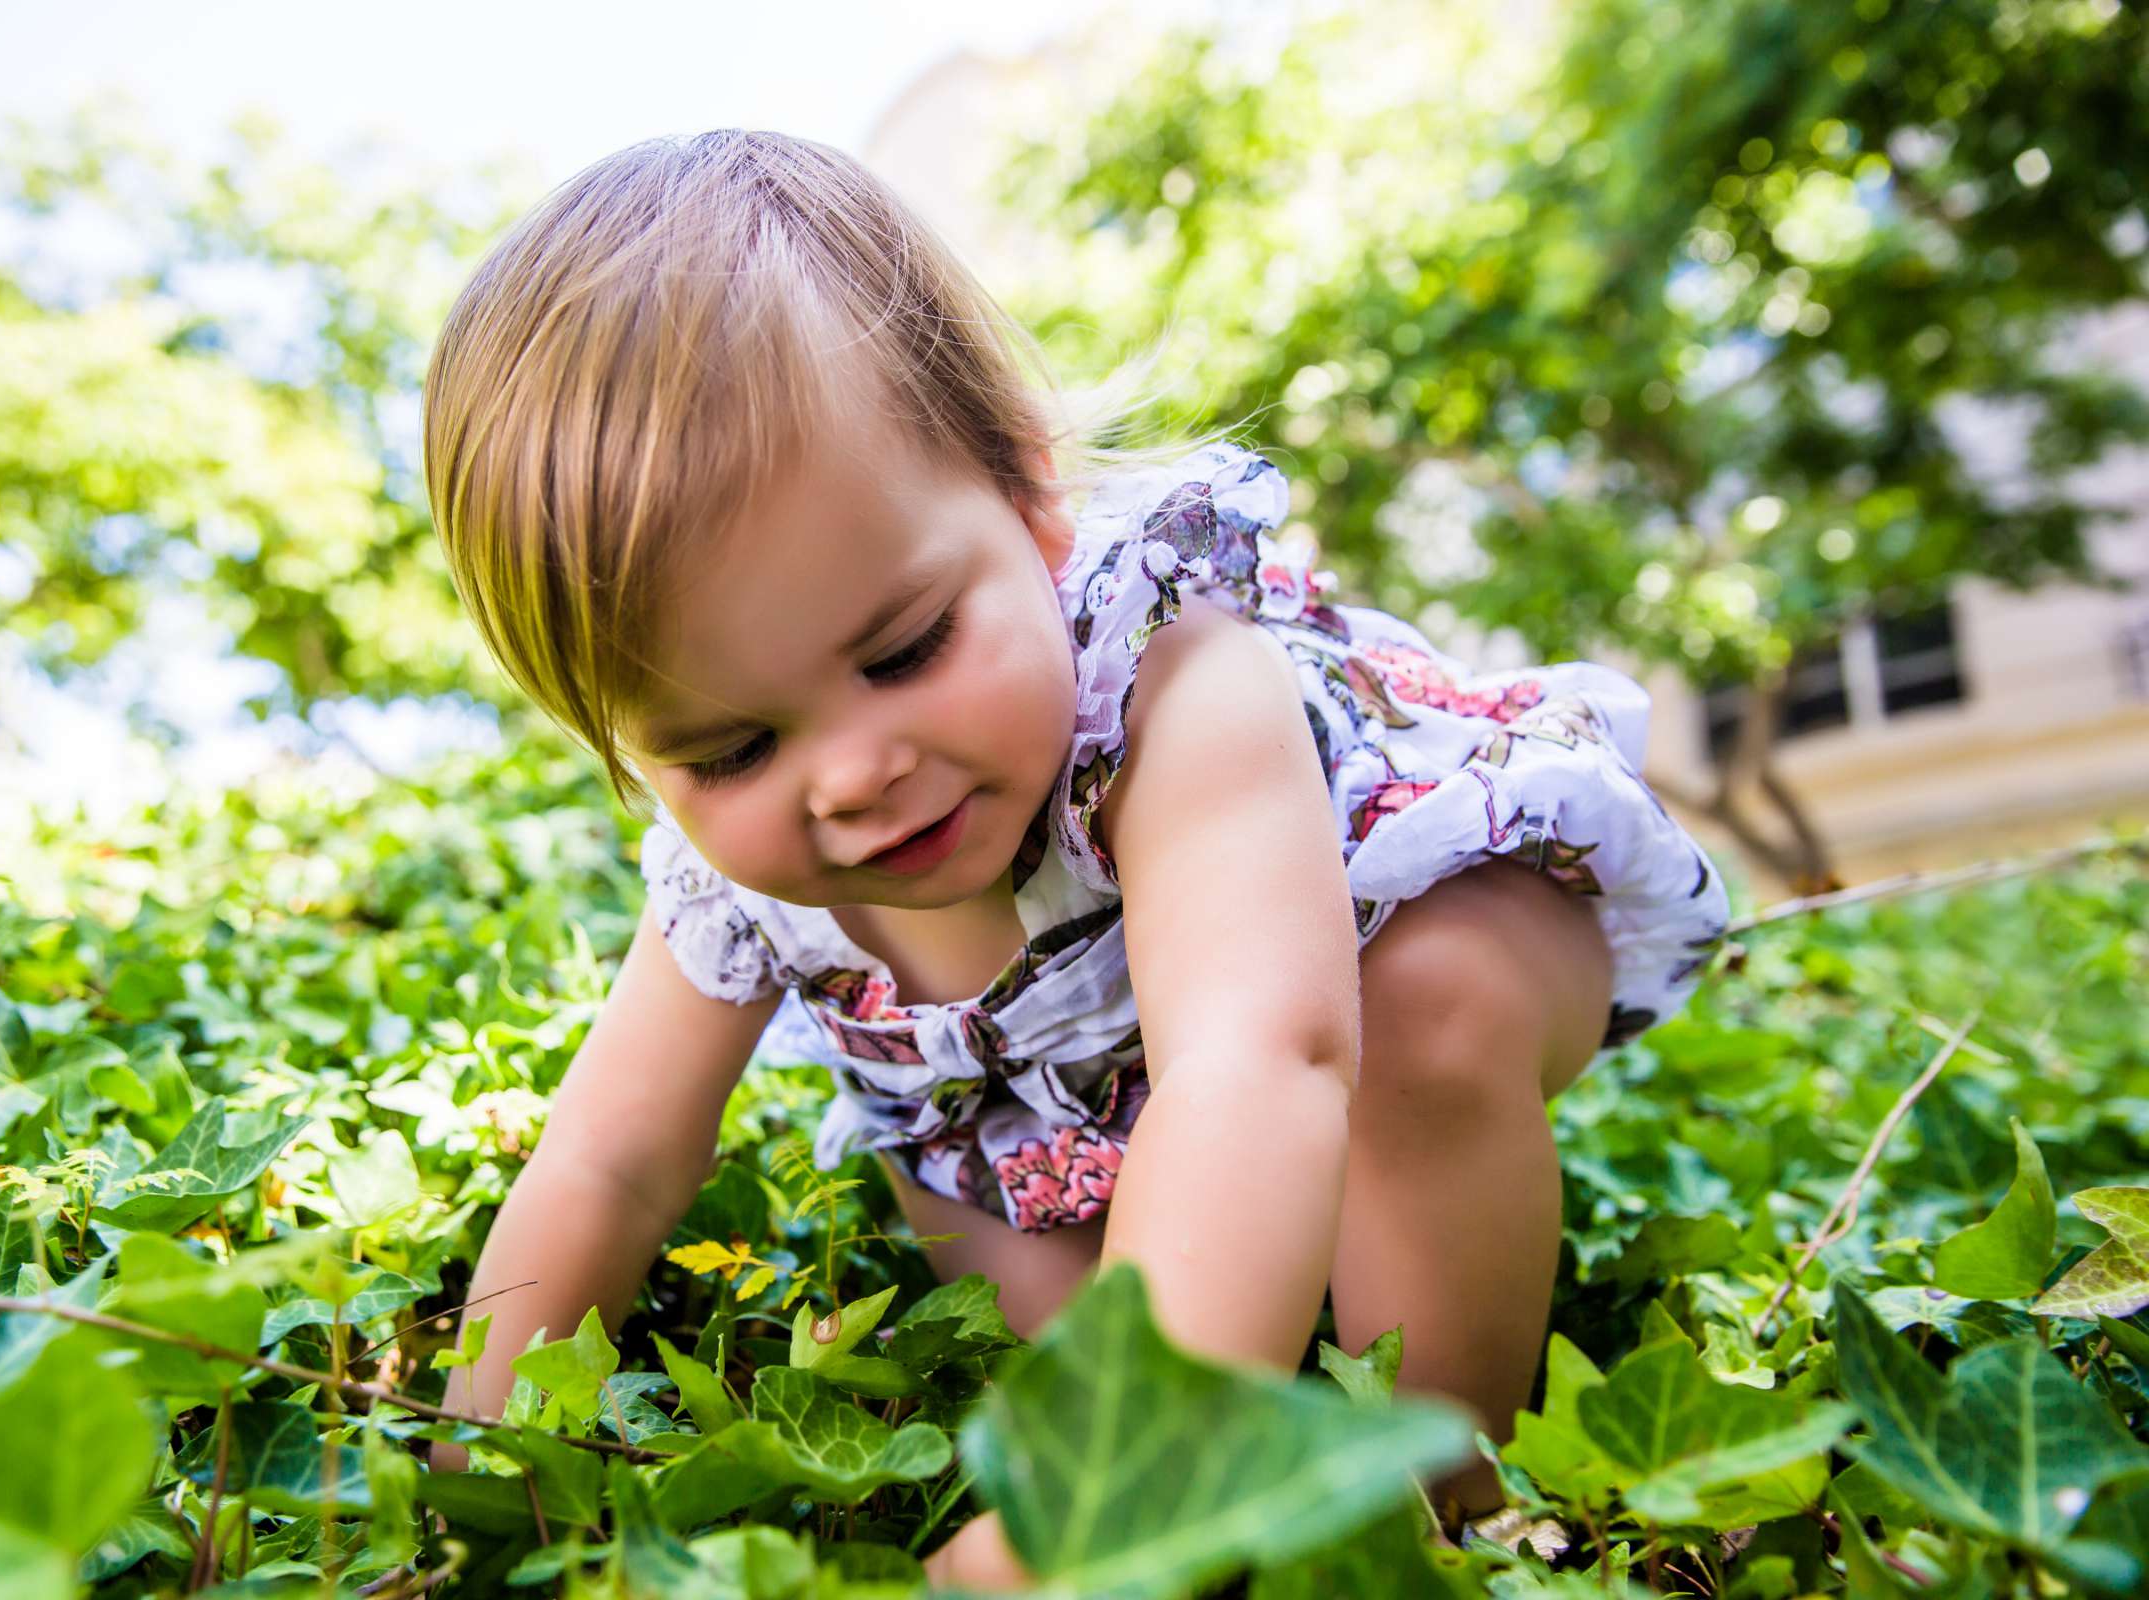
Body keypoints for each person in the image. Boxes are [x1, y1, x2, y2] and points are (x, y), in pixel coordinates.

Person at [419, 128, 1729, 1588]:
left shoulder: (1170, 679)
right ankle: (1211, 1375)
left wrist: (1084, 1511)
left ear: (1033, 504)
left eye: (907, 648)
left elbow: (1261, 1065)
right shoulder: (730, 887)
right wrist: (476, 1472)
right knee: (978, 1222)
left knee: (1431, 1004)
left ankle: (1434, 1487)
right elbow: (608, 1164)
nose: (854, 776)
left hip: (1349, 967)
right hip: (1071, 1137)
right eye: (730, 751)